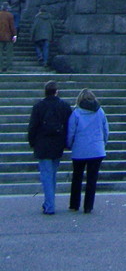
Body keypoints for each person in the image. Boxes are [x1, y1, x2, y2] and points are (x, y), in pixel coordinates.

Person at [27, 80, 72, 215]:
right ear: (56, 92)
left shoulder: (39, 106)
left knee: (46, 175)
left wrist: (32, 142)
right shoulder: (64, 106)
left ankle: (50, 205)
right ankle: (49, 202)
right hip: (57, 144)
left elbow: (33, 127)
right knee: (52, 174)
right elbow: (70, 126)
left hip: (42, 144)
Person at [67, 88, 109, 213]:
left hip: (80, 149)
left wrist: (69, 145)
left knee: (77, 177)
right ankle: (88, 206)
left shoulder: (76, 113)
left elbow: (71, 132)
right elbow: (106, 130)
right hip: (96, 149)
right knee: (92, 179)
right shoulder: (100, 112)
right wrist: (102, 144)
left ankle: (74, 204)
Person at [0, 2, 17, 72]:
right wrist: (15, 35)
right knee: (9, 53)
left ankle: (0, 67)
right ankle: (9, 68)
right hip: (8, 36)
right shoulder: (10, 15)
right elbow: (12, 27)